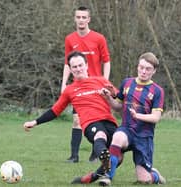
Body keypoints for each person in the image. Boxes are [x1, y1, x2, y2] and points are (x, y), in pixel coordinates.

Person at [71, 52, 166, 185]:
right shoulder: (127, 83)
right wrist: (108, 98)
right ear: (137, 66)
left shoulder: (157, 91)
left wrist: (137, 115)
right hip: (127, 129)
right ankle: (107, 177)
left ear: (154, 71)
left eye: (148, 69)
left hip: (144, 136)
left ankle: (154, 175)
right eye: (141, 67)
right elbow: (118, 107)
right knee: (117, 137)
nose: (143, 71)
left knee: (144, 180)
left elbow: (156, 117)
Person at [23, 51, 116, 174]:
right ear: (71, 70)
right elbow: (55, 111)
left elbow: (119, 97)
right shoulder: (70, 90)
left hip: (109, 121)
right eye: (74, 67)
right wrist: (35, 122)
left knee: (122, 143)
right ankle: (104, 160)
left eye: (80, 65)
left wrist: (112, 94)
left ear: (87, 65)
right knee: (100, 135)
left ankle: (139, 168)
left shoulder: (101, 81)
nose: (78, 69)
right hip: (91, 124)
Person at [61, 6, 111, 163]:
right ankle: (74, 156)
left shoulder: (99, 38)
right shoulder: (70, 39)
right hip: (80, 88)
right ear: (74, 19)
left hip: (97, 87)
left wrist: (105, 82)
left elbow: (107, 61)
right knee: (77, 119)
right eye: (78, 17)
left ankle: (96, 153)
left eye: (84, 17)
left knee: (98, 120)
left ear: (89, 19)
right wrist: (63, 84)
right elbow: (67, 64)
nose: (81, 20)